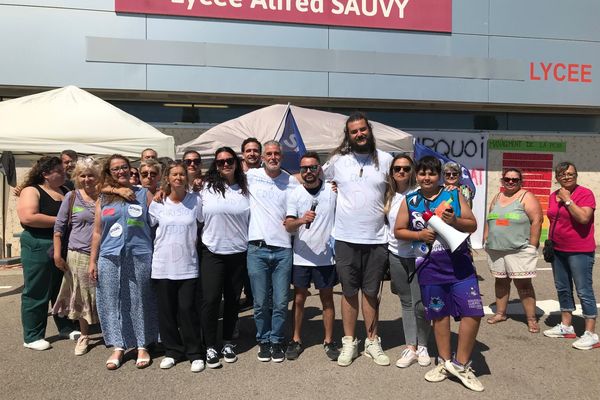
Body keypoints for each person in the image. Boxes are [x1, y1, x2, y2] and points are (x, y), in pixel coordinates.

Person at [395, 155, 484, 392]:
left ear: (439, 176)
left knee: (473, 312)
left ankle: (461, 364)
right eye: (422, 173)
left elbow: (472, 224)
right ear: (417, 175)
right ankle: (445, 363)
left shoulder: (454, 195)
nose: (426, 177)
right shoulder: (410, 200)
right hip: (430, 267)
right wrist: (419, 236)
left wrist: (454, 219)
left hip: (460, 265)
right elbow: (398, 230)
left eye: (431, 173)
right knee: (439, 316)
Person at [322, 112, 393, 367]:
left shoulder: (386, 160)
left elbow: (399, 192)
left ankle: (372, 341)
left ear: (369, 130)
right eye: (354, 132)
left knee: (371, 293)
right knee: (350, 292)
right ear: (348, 135)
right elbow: (314, 182)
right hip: (345, 238)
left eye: (362, 130)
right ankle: (349, 342)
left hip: (376, 239)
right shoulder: (337, 161)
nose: (359, 134)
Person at [89, 154, 158, 370]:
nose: (121, 171)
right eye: (116, 169)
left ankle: (142, 344)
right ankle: (118, 345)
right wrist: (93, 261)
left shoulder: (143, 193)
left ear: (131, 169)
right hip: (109, 256)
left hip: (140, 254)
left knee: (140, 300)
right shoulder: (103, 198)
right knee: (111, 301)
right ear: (110, 173)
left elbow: (156, 225)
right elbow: (98, 232)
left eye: (124, 167)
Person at [16, 156, 79, 351]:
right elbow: (28, 217)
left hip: (64, 244)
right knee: (37, 291)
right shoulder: (31, 190)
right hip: (39, 244)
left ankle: (66, 326)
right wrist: (61, 221)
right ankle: (33, 335)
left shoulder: (66, 190)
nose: (64, 173)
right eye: (59, 171)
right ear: (45, 174)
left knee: (61, 289)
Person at [149, 161, 205, 373]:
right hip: (162, 265)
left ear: (186, 177)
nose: (179, 178)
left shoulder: (195, 201)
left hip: (188, 265)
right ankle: (172, 351)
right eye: (174, 174)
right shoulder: (158, 204)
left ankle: (194, 352)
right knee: (167, 311)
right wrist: (156, 193)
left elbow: (203, 224)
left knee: (187, 309)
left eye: (182, 174)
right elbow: (151, 228)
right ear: (168, 178)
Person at [246, 140, 298, 362]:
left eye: (277, 153)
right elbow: (222, 178)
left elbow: (313, 186)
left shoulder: (291, 182)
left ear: (282, 157)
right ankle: (263, 340)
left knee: (279, 301)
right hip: (256, 248)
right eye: (269, 153)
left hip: (282, 249)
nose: (273, 157)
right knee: (259, 302)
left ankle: (276, 340)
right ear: (263, 157)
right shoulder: (250, 176)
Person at [284, 152, 339, 361]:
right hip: (301, 257)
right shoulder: (295, 194)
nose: (308, 172)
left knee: (327, 299)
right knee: (299, 299)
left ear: (319, 169)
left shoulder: (332, 191)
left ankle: (328, 340)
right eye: (304, 168)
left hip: (326, 258)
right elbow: (288, 226)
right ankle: (296, 339)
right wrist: (301, 220)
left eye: (313, 167)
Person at [199, 147, 250, 368]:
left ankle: (227, 341)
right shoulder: (205, 188)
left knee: (232, 301)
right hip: (212, 252)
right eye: (220, 162)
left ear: (236, 163)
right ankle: (210, 345)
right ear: (215, 165)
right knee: (210, 301)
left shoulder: (247, 188)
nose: (225, 165)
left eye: (229, 160)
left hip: (238, 252)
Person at [543, 161, 599, 350]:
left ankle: (591, 333)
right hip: (558, 249)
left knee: (584, 290)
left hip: (580, 250)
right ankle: (566, 326)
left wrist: (568, 200)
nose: (567, 177)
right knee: (563, 288)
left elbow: (583, 218)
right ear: (557, 177)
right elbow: (552, 218)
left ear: (576, 175)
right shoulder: (553, 195)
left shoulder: (585, 194)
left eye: (570, 174)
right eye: (562, 174)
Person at [384, 154, 431, 368]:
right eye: (397, 168)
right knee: (406, 301)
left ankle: (423, 346)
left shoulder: (419, 193)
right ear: (392, 172)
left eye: (405, 168)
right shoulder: (387, 195)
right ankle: (410, 346)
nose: (401, 172)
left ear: (412, 170)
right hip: (396, 253)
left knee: (420, 304)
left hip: (420, 255)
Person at [52, 158, 101, 355]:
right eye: (83, 175)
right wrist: (57, 255)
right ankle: (84, 335)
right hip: (78, 253)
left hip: (104, 253)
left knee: (102, 294)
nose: (87, 179)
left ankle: (112, 332)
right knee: (81, 295)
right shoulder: (71, 197)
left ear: (98, 177)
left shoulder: (104, 197)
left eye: (91, 175)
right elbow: (59, 228)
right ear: (77, 177)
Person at [484, 168, 542, 333]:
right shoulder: (497, 197)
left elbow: (537, 220)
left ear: (520, 182)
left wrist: (532, 245)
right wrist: (486, 239)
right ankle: (501, 313)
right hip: (496, 249)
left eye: (514, 180)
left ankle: (531, 319)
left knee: (523, 284)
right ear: (502, 181)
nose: (510, 182)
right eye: (507, 179)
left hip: (519, 249)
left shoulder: (526, 196)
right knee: (501, 281)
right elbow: (491, 219)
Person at [239, 137, 262, 310]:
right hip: (238, 228)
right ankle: (248, 297)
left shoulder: (268, 172)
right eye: (248, 150)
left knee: (255, 270)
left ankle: (254, 297)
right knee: (241, 270)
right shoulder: (234, 173)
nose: (252, 153)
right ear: (243, 154)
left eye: (255, 150)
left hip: (258, 228)